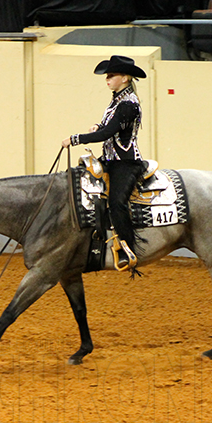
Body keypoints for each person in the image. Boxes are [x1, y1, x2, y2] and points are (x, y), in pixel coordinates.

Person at [62, 55, 147, 271]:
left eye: (112, 75)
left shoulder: (129, 104)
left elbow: (110, 132)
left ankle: (129, 250)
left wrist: (76, 139)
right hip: (110, 161)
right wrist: (97, 126)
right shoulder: (117, 99)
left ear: (125, 78)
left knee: (118, 202)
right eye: (107, 75)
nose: (107, 78)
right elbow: (109, 126)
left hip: (125, 164)